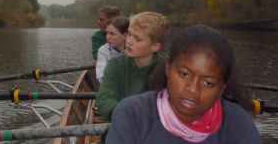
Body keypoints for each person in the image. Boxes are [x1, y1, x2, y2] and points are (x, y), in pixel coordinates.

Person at [105, 25, 261, 144]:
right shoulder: (132, 115)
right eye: (184, 74)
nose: (193, 89)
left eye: (208, 83)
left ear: (222, 88)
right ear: (168, 67)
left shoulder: (237, 124)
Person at [96, 11, 169, 121]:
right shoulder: (115, 65)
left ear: (155, 47)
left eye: (137, 39)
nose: (129, 41)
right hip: (121, 128)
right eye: (129, 34)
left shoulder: (167, 71)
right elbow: (104, 98)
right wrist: (127, 116)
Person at [96, 16, 129, 83]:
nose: (107, 37)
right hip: (111, 87)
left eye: (112, 34)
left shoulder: (134, 49)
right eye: (107, 33)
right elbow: (101, 76)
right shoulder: (103, 50)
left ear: (125, 36)